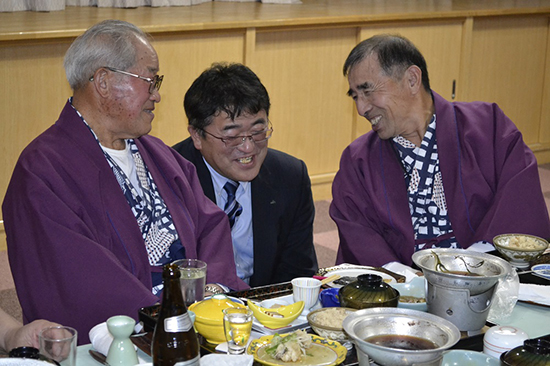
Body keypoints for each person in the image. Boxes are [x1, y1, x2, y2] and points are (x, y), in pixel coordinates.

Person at [2, 20, 247, 345]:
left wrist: (213, 291)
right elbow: (79, 278)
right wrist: (170, 315)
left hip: (196, 318)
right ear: (104, 81)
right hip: (127, 336)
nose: (158, 95)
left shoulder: (158, 155)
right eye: (150, 80)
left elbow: (210, 224)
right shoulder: (43, 170)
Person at [330, 34, 550, 267]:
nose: (361, 108)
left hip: (488, 275)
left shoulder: (488, 128)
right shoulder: (358, 160)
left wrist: (472, 263)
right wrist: (403, 280)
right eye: (355, 96)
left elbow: (518, 197)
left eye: (367, 91)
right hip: (401, 290)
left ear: (412, 80)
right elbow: (357, 233)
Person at [172, 63, 318, 287]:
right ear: (197, 136)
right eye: (232, 136)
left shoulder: (290, 176)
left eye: (258, 132)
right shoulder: (170, 178)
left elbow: (298, 273)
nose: (248, 148)